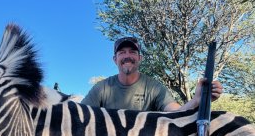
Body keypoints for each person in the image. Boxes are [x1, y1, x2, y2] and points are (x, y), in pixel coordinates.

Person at [81, 37, 223, 111]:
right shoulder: (101, 88)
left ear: (139, 58)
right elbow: (78, 114)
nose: (127, 56)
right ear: (115, 59)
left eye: (132, 52)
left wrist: (198, 99)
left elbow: (176, 112)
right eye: (122, 52)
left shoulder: (154, 87)